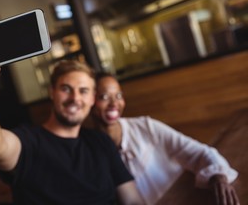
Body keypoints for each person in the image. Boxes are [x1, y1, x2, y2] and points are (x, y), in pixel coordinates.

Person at [0, 20, 144, 205]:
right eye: (66, 88)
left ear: (92, 98)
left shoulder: (101, 143)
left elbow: (132, 199)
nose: (75, 98)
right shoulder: (30, 143)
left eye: (83, 91)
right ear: (52, 92)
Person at [91, 72, 240, 205]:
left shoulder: (145, 127)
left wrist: (218, 177)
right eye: (104, 97)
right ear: (90, 100)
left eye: (118, 96)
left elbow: (198, 152)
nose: (114, 104)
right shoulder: (89, 150)